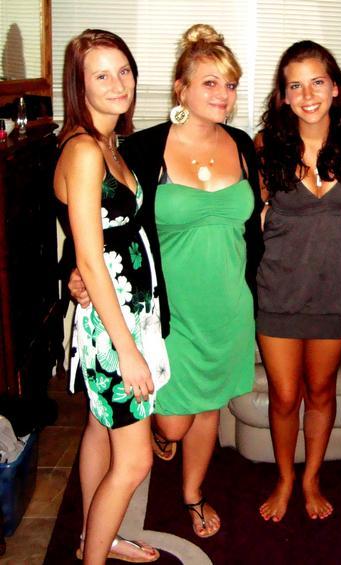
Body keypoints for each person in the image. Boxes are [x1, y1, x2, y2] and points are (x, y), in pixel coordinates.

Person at [69, 24, 263, 539]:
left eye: (230, 85)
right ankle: (159, 436)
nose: (223, 95)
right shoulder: (143, 148)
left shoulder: (243, 145)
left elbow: (254, 229)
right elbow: (101, 215)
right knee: (175, 420)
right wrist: (73, 268)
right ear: (181, 88)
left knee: (208, 407)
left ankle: (193, 495)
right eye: (209, 83)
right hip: (166, 311)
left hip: (228, 307)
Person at [54, 29, 168, 563]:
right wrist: (127, 349)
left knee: (101, 429)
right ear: (79, 86)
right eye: (101, 74)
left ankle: (95, 538)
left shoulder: (107, 142)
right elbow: (90, 258)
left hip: (128, 313)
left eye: (123, 70)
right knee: (136, 460)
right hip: (111, 325)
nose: (118, 83)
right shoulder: (83, 150)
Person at [255, 40, 341, 522]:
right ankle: (284, 478)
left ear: (335, 87)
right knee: (284, 395)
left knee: (321, 392)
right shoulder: (265, 146)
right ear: (283, 96)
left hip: (335, 293)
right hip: (278, 290)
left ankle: (311, 478)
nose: (307, 95)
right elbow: (243, 212)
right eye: (295, 86)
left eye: (317, 82)